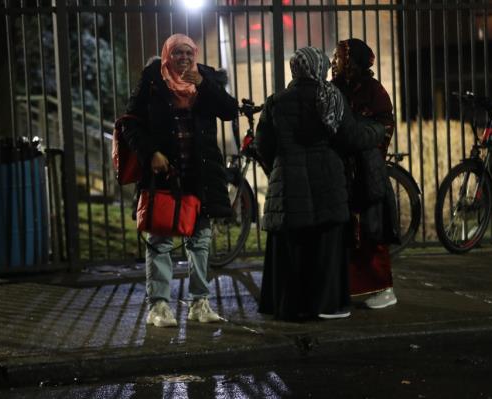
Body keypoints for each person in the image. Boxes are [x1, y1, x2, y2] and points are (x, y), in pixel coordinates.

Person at [255, 46, 386, 322]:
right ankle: (327, 305)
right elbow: (349, 137)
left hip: (288, 187)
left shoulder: (276, 102)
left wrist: (279, 168)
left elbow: (263, 146)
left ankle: (289, 306)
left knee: (291, 248)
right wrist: (376, 130)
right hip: (327, 182)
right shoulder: (330, 98)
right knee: (324, 246)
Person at [118, 34, 238, 327]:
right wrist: (151, 153)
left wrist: (203, 83)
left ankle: (200, 303)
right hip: (164, 174)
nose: (183, 58)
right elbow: (130, 124)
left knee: (200, 239)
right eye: (177, 53)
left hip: (200, 174)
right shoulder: (152, 79)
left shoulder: (205, 77)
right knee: (159, 239)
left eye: (188, 52)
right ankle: (158, 307)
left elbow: (228, 109)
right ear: (167, 55)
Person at [331, 38, 398, 309]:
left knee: (371, 231)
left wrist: (361, 140)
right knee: (345, 233)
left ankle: (383, 287)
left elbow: (384, 125)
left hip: (365, 173)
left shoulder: (373, 90)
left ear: (352, 61)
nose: (334, 62)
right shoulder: (334, 88)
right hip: (341, 172)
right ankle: (348, 287)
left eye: (339, 57)